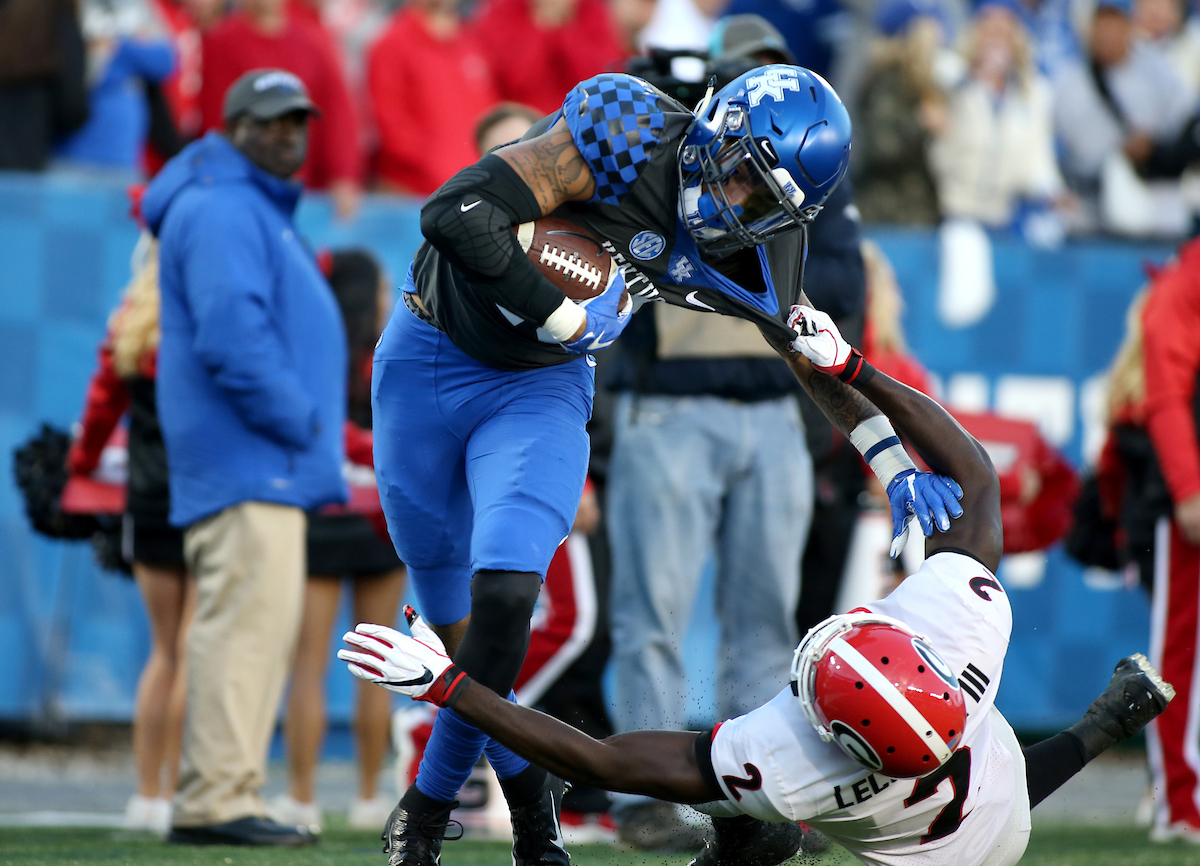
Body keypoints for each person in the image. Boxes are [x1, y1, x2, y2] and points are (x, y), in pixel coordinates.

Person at [369, 61, 965, 866]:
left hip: (536, 393)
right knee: (454, 621)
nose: (740, 205)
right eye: (742, 177)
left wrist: (888, 459)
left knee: (507, 595)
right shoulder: (624, 130)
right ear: (715, 128)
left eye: (767, 201)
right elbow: (452, 211)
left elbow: (808, 356)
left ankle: (425, 812)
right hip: (427, 353)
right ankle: (534, 813)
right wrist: (559, 310)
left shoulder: (771, 241)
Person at [342, 304, 1176, 866]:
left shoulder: (797, 762)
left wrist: (447, 683)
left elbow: (594, 756)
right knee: (1000, 775)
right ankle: (1107, 722)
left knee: (759, 806)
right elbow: (975, 474)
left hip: (937, 850)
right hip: (960, 778)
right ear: (920, 654)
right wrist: (854, 366)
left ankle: (744, 848)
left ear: (829, 735)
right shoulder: (961, 626)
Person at [602, 19, 864, 850]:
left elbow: (839, 281)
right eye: (746, 77)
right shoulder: (674, 148)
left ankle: (765, 796)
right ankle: (646, 792)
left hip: (771, 411)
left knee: (765, 622)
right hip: (670, 402)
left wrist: (743, 229)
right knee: (653, 614)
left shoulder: (809, 174)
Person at [143, 68, 347, 847]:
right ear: (231, 125)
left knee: (255, 632)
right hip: (251, 457)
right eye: (269, 121)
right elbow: (233, 339)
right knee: (242, 631)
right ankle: (215, 801)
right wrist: (299, 420)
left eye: (298, 120)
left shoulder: (241, 202)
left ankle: (227, 790)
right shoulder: (223, 206)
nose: (287, 133)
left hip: (262, 461)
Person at [269, 250, 408, 833]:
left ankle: (300, 799)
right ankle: (370, 797)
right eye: (380, 287)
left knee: (307, 665)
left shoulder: (308, 353)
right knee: (378, 664)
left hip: (321, 518)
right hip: (380, 520)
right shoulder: (393, 351)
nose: (385, 296)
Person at [66, 232, 195, 835]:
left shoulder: (133, 320)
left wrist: (79, 467)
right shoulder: (206, 316)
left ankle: (146, 796)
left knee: (163, 652)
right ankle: (179, 792)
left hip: (144, 501)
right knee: (194, 653)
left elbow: (99, 407)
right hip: (203, 498)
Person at [199, 0, 363, 219]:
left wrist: (343, 175)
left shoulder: (313, 40)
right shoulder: (222, 41)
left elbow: (337, 114)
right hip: (246, 189)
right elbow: (218, 121)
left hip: (301, 194)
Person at [1141, 238, 1200, 843]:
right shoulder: (1189, 278)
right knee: (1181, 648)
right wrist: (1188, 486)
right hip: (1193, 493)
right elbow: (1165, 388)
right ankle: (1180, 804)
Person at [366, 0, 499, 197]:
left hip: (471, 190)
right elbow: (392, 126)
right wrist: (446, 173)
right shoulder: (392, 44)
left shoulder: (473, 42)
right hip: (415, 196)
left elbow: (490, 114)